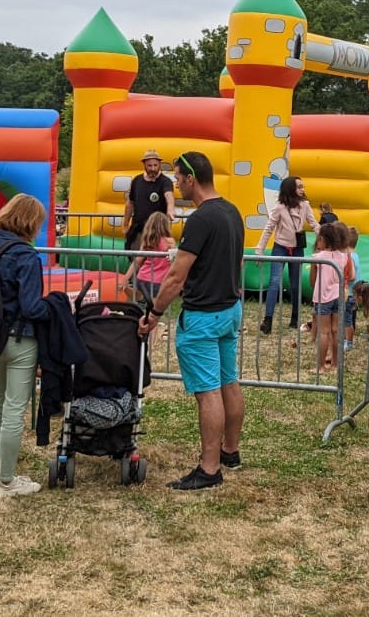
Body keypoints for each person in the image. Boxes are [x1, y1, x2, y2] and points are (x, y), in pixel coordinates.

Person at [142, 152, 246, 491]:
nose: (176, 184)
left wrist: (154, 314)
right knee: (229, 382)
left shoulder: (201, 219)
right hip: (229, 309)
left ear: (190, 178)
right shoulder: (232, 212)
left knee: (208, 392)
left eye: (177, 178)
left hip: (203, 315)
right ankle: (230, 451)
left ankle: (210, 468)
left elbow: (175, 277)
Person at [0, 194, 51, 499]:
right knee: (14, 407)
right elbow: (32, 306)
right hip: (20, 337)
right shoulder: (26, 256)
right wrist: (56, 309)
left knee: (1, 399)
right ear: (32, 222)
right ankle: (6, 482)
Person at [255, 175, 318, 334]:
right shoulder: (280, 207)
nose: (302, 189)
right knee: (274, 282)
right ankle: (267, 320)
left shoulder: (305, 206)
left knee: (296, 284)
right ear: (291, 189)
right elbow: (269, 228)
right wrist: (259, 251)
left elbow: (314, 224)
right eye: (299, 187)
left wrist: (328, 240)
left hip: (297, 249)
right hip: (280, 248)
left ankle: (295, 319)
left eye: (303, 186)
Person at [310, 223, 354, 373]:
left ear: (322, 239)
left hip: (323, 297)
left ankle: (321, 366)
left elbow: (312, 281)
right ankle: (336, 364)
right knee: (336, 331)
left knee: (324, 332)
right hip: (339, 296)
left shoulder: (318, 257)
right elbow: (350, 274)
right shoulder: (343, 257)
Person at [122, 149, 174, 253]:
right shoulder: (137, 181)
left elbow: (169, 195)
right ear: (144, 165)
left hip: (157, 232)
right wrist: (126, 225)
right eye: (149, 166)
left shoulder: (165, 181)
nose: (153, 169)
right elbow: (130, 203)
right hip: (138, 231)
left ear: (159, 164)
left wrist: (171, 209)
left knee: (156, 262)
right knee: (136, 260)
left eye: (155, 165)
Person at [122, 212, 174, 307]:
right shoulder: (170, 242)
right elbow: (172, 259)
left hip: (143, 277)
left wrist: (126, 277)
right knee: (154, 309)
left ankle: (126, 289)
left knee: (139, 300)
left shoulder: (148, 241)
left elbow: (137, 261)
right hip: (159, 280)